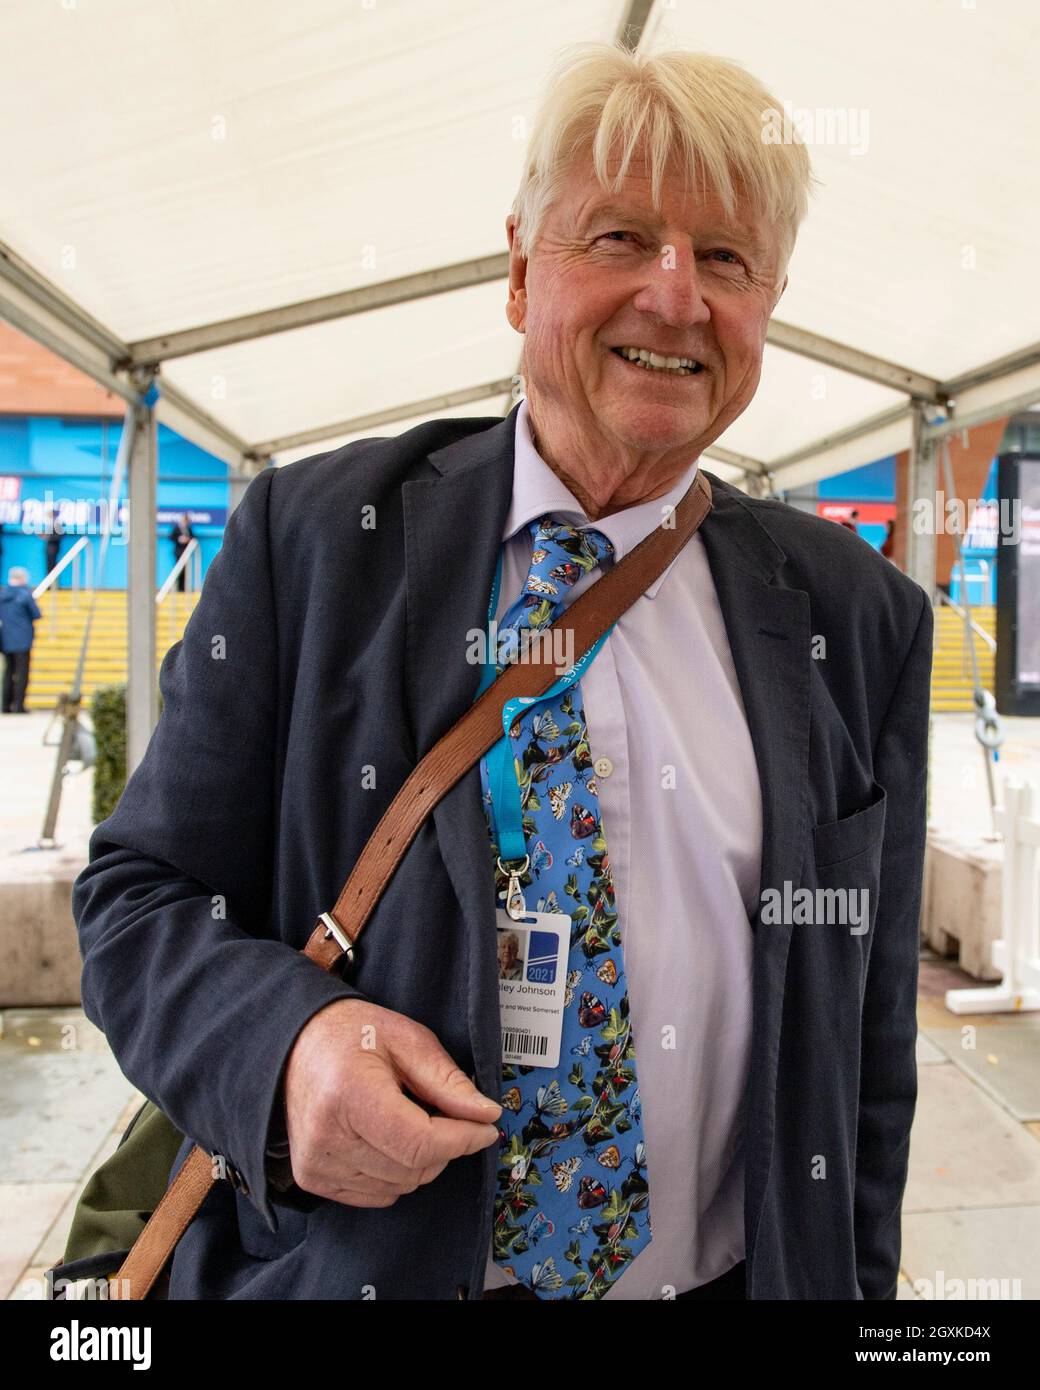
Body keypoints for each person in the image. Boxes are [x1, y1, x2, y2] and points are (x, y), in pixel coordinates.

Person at [71, 42, 932, 1301]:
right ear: (520, 272)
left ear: (769, 306)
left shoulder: (857, 620)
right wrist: (290, 1046)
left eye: (727, 258)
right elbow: (139, 897)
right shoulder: (311, 543)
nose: (677, 295)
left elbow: (868, 1051)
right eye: (621, 238)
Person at [0, 566, 42, 713]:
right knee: (22, 673)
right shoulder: (25, 594)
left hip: (5, 639)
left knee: (7, 673)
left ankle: (5, 705)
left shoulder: (3, 594)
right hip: (23, 640)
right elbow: (36, 614)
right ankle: (19, 705)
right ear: (22, 579)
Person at [170, 512, 194, 592]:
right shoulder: (176, 528)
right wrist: (179, 539)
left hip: (186, 552)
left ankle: (183, 588)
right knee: (178, 570)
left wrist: (188, 539)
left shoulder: (189, 529)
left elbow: (193, 537)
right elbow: (171, 537)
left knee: (185, 571)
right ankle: (177, 588)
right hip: (178, 552)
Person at [43, 503, 65, 578]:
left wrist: (49, 538)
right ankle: (49, 584)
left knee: (53, 567)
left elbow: (60, 536)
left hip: (53, 549)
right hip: (49, 549)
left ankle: (53, 584)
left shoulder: (57, 524)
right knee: (49, 566)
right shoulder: (50, 524)